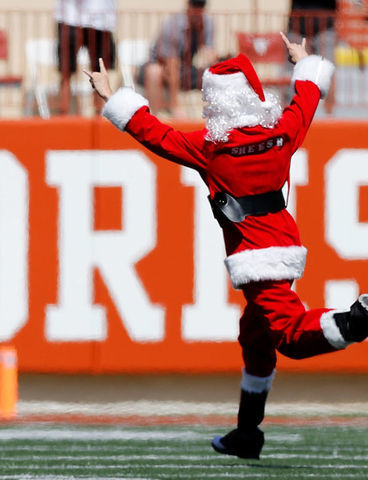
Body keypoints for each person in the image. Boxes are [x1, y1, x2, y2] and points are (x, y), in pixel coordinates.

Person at [86, 35, 367, 459]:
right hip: (284, 241)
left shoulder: (211, 150)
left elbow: (155, 133)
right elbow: (306, 98)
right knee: (254, 335)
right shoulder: (281, 134)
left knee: (289, 337)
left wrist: (112, 96)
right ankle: (247, 432)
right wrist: (304, 61)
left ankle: (360, 318)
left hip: (256, 258)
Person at [137, 0, 216, 118]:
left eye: (201, 5)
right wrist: (175, 104)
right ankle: (161, 113)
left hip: (186, 67)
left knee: (213, 73)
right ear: (188, 6)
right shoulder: (172, 24)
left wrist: (215, 66)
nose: (197, 9)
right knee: (155, 72)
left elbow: (210, 51)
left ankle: (216, 112)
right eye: (195, 5)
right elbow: (170, 62)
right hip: (160, 64)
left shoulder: (207, 23)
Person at [54, 0, 117, 115]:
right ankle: (63, 117)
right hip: (69, 17)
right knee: (66, 70)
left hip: (101, 19)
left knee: (100, 71)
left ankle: (99, 117)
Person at [288, 0, 337, 114]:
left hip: (325, 25)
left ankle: (329, 114)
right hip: (297, 25)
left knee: (327, 71)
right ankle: (290, 114)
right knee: (292, 72)